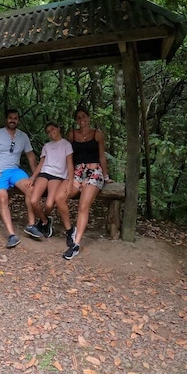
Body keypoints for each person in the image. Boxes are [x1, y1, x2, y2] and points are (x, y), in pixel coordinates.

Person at [55, 107, 111, 260]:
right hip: (77, 172)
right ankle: (70, 229)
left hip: (94, 171)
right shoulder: (72, 134)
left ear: (89, 117)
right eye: (79, 117)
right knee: (59, 197)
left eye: (84, 116)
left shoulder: (97, 134)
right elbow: (70, 156)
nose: (82, 120)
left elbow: (102, 156)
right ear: (76, 120)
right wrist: (67, 175)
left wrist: (105, 176)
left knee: (83, 205)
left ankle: (76, 244)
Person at [0, 109, 38, 248]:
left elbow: (31, 156)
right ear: (6, 119)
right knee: (3, 198)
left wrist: (34, 176)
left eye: (15, 118)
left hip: (15, 171)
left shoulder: (23, 136)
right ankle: (12, 235)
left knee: (30, 189)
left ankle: (31, 225)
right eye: (10, 118)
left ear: (18, 120)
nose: (13, 120)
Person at [24, 122, 74, 240]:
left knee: (49, 204)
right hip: (44, 173)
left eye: (52, 129)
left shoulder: (66, 145)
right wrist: (33, 177)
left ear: (58, 128)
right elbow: (41, 163)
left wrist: (70, 182)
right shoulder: (47, 146)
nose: (51, 133)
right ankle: (45, 221)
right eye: (48, 132)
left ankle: (43, 222)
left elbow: (70, 165)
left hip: (57, 176)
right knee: (34, 200)